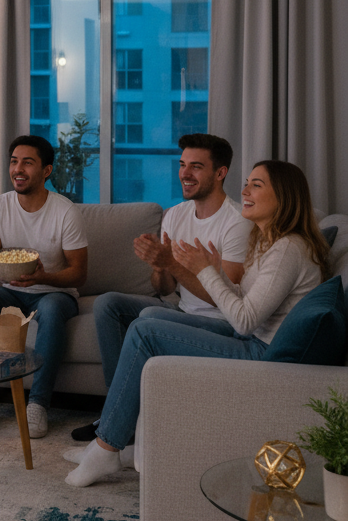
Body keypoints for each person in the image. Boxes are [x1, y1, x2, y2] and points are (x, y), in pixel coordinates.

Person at [66, 159, 330, 487]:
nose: (245, 190)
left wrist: (205, 270)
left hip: (261, 353)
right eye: (247, 183)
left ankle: (106, 447)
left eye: (256, 185)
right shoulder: (270, 241)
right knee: (148, 317)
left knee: (146, 332)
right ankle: (121, 436)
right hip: (253, 338)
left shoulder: (288, 248)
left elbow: (244, 321)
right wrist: (217, 273)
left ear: (284, 196)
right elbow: (247, 301)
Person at [73, 134, 252, 442]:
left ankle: (117, 420)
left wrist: (171, 262)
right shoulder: (176, 214)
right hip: (182, 308)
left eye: (196, 167)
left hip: (220, 322)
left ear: (220, 173)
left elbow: (227, 300)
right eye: (182, 165)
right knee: (108, 304)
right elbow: (165, 288)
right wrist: (159, 266)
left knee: (149, 318)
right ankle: (119, 407)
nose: (185, 173)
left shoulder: (237, 223)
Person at [0, 135, 88, 438]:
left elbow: (79, 274)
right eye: (14, 161)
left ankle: (37, 404)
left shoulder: (65, 211)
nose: (18, 169)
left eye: (27, 163)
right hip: (9, 289)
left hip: (53, 291)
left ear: (46, 171)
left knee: (53, 308)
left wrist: (43, 278)